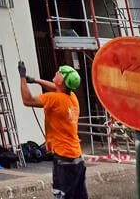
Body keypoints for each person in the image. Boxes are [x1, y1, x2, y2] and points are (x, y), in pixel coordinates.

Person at [18, 60, 87, 199]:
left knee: (62, 195)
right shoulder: (72, 97)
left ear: (61, 81)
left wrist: (22, 77)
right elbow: (56, 88)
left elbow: (28, 100)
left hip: (63, 158)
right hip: (76, 157)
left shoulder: (54, 99)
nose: (57, 72)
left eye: (60, 72)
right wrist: (36, 80)